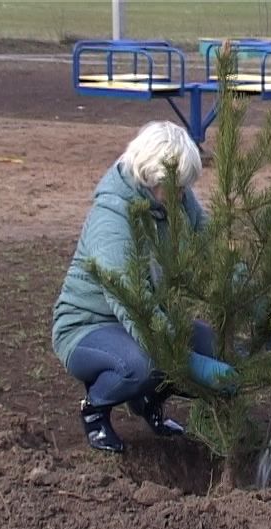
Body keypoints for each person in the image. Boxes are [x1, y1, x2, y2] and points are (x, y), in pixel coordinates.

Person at [52, 121, 232, 453]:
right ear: (150, 178)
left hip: (145, 315)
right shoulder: (112, 220)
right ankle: (96, 408)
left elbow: (211, 246)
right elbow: (135, 305)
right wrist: (192, 364)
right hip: (89, 325)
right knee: (146, 363)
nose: (183, 197)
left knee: (213, 345)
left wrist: (251, 294)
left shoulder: (173, 195)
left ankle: (147, 399)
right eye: (177, 188)